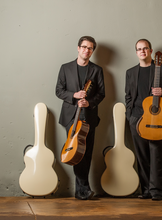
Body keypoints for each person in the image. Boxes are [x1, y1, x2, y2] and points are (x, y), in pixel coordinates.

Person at [125, 39, 162, 201]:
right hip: (136, 119)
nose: (142, 51)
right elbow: (128, 96)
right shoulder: (131, 72)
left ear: (150, 50)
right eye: (139, 49)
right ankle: (146, 190)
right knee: (142, 157)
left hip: (158, 119)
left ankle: (157, 192)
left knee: (157, 155)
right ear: (136, 52)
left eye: (145, 48)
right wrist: (130, 116)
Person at [56, 36, 105, 200]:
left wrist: (88, 102)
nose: (87, 50)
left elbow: (101, 94)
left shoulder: (97, 70)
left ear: (92, 51)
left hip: (89, 116)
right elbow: (59, 90)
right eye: (84, 47)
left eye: (90, 48)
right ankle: (83, 189)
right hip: (71, 116)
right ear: (78, 48)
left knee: (87, 153)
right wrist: (74, 95)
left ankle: (81, 190)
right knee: (76, 152)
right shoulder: (65, 68)